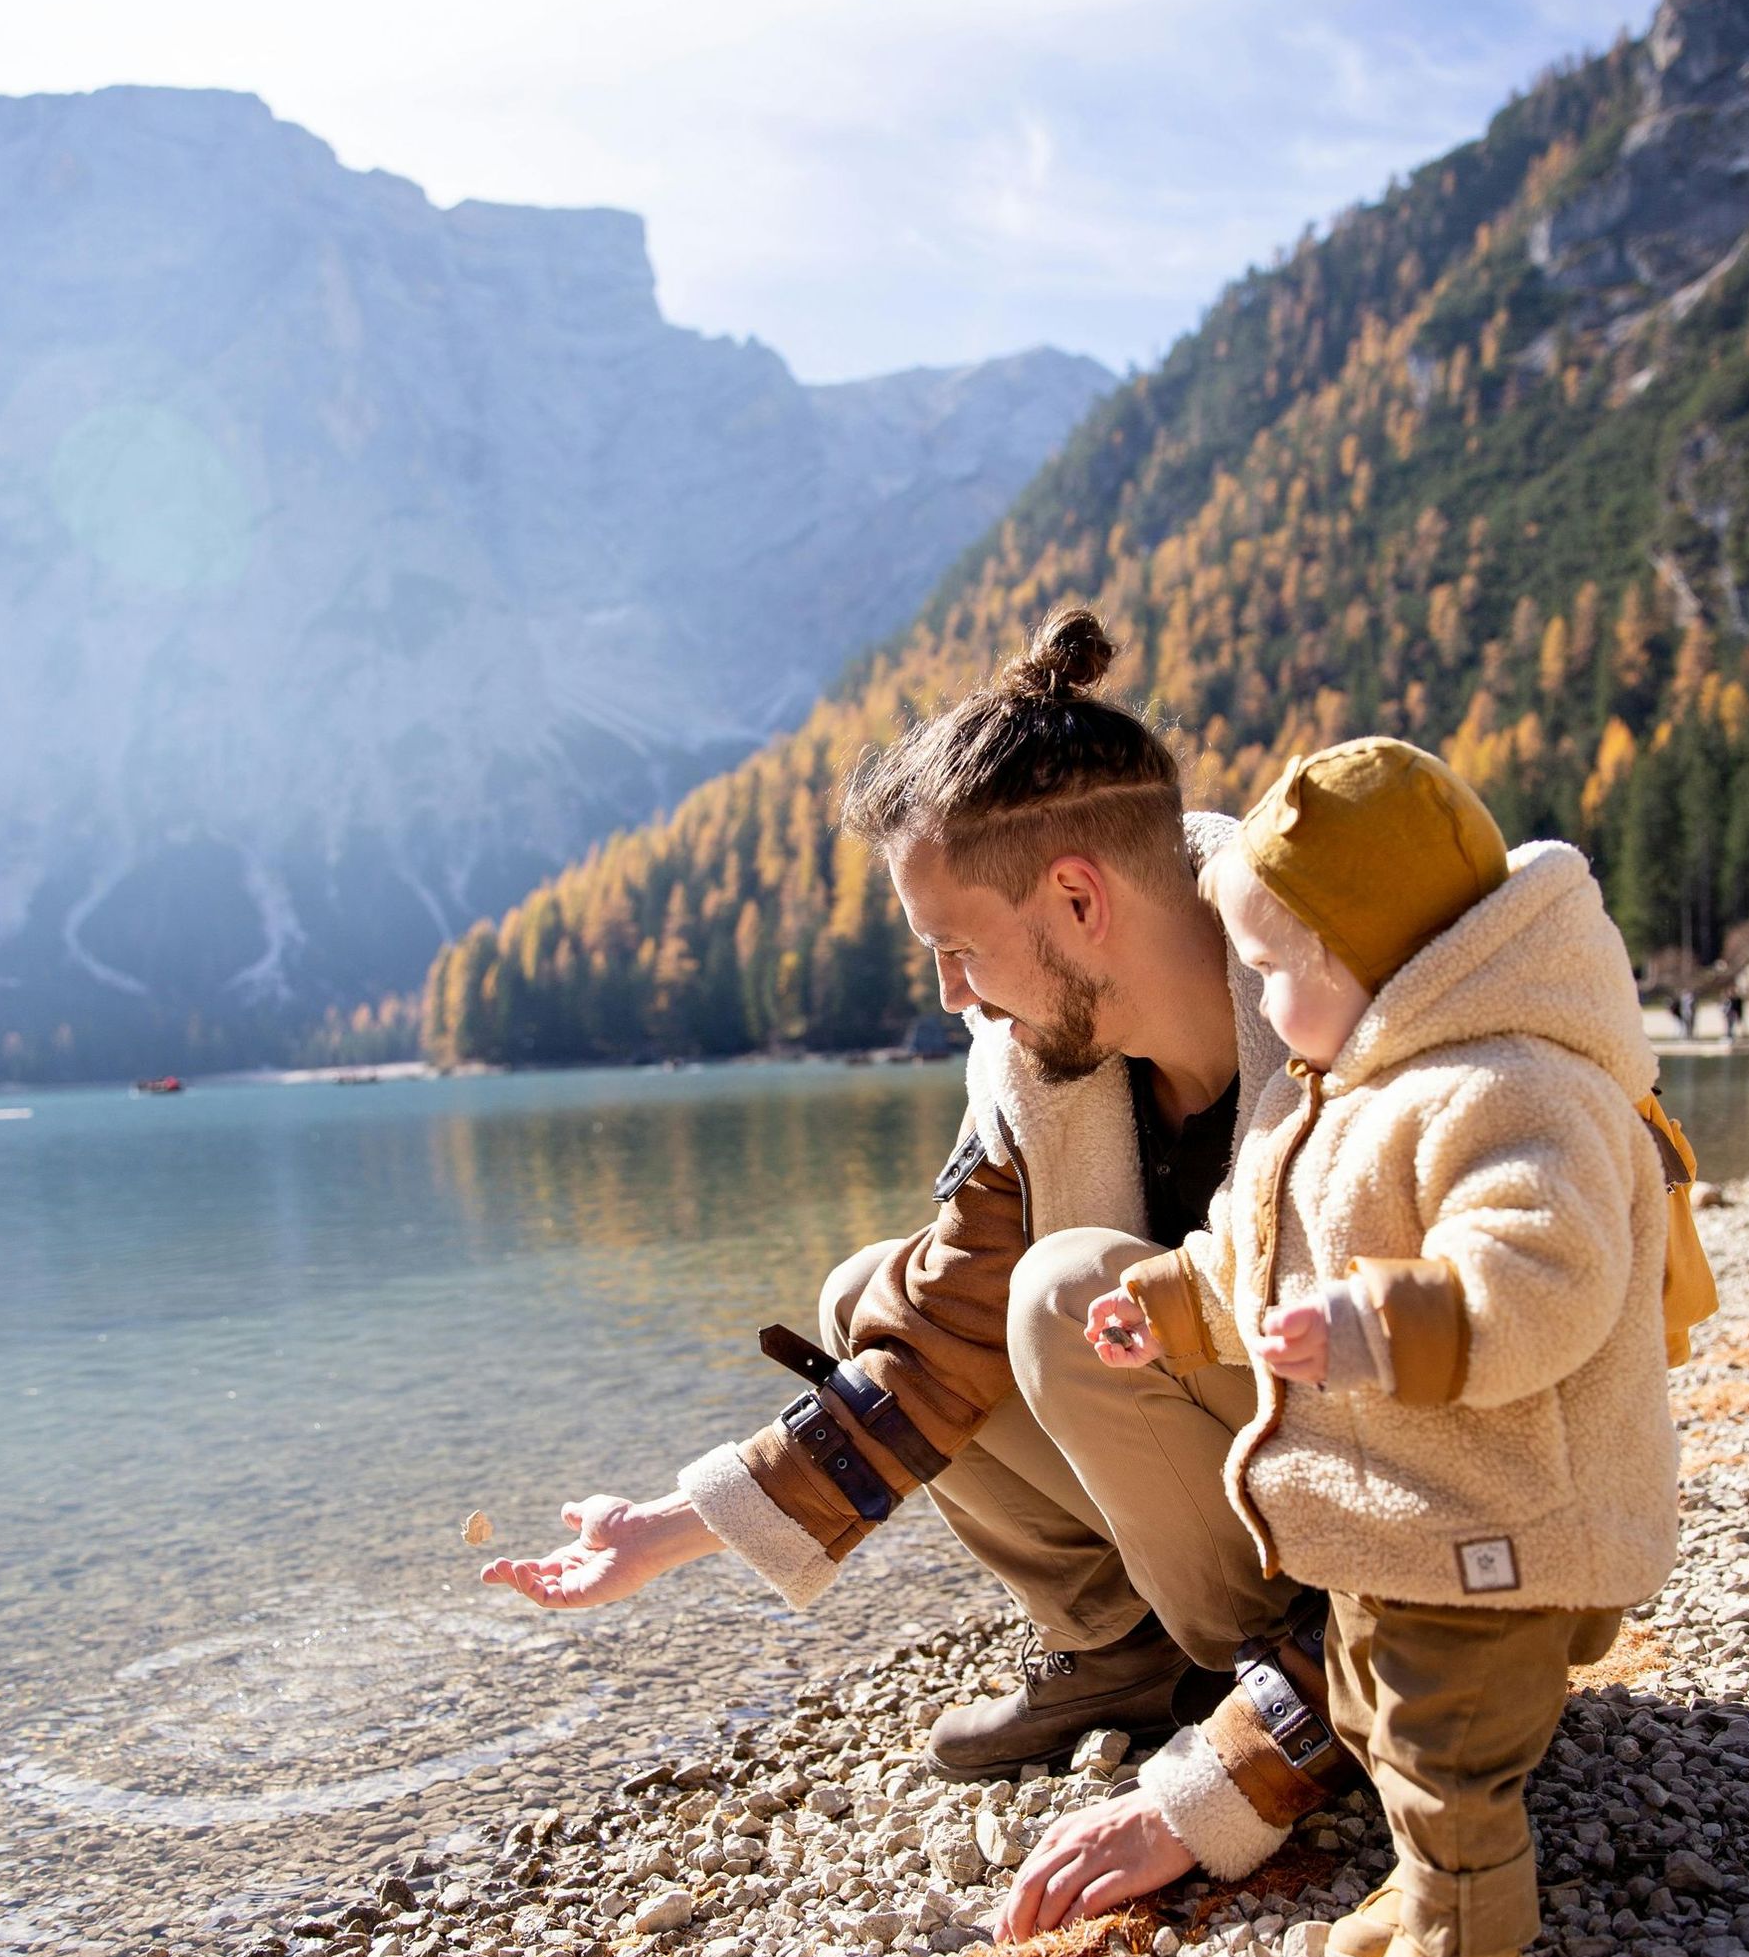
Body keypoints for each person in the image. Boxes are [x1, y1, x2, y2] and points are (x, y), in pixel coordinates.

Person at [482, 605, 1349, 1825]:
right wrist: (672, 1528)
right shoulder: (1034, 1075)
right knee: (869, 1297)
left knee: (1067, 1292)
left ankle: (1271, 1681)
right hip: (1243, 1480)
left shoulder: (1342, 1024)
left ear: (1077, 900)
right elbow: (935, 1342)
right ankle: (1122, 1650)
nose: (949, 994)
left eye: (954, 946)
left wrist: (1256, 1765)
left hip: (1388, 1556)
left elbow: (1466, 1429)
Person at [1005, 738, 1679, 1957]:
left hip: (1500, 1519)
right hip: (1398, 1521)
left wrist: (1377, 1324)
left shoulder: (1510, 1088)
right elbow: (1257, 1250)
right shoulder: (1354, 1089)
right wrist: (1174, 1302)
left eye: (1276, 967)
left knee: (1444, 1758)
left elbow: (1536, 1282)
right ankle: (1425, 1910)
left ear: (1377, 949)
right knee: (1372, 1708)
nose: (1256, 995)